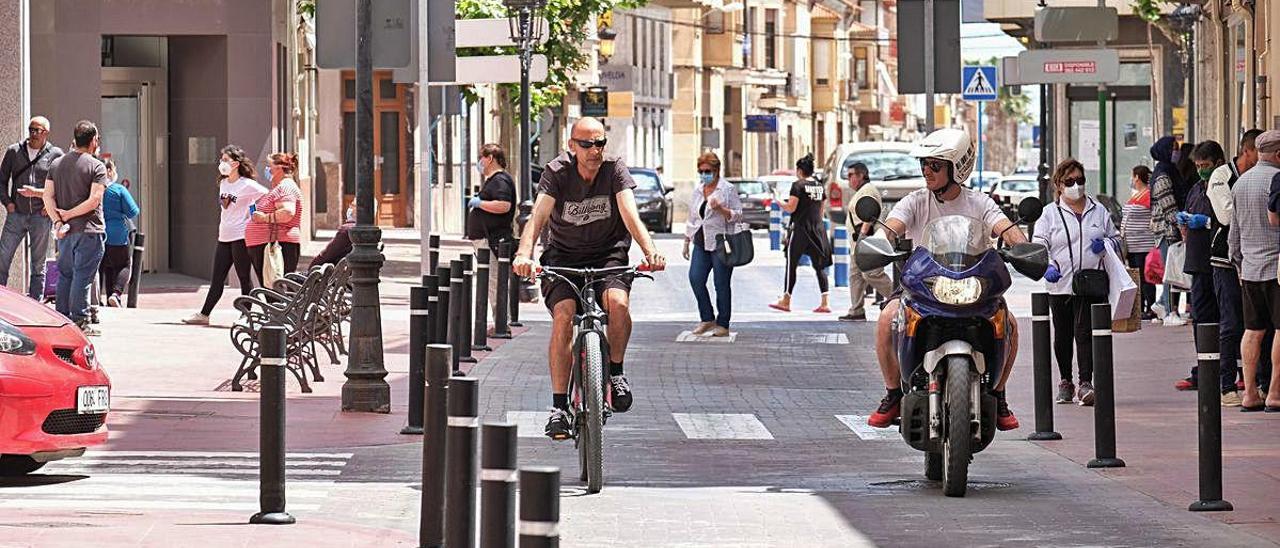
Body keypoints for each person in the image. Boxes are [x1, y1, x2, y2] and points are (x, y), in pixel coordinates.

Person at [510, 117, 667, 440]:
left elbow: (629, 213)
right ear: (572, 146)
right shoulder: (557, 172)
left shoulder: (614, 170)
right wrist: (524, 254)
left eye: (600, 143)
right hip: (563, 259)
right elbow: (538, 216)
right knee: (564, 317)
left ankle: (617, 372)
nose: (595, 150)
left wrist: (650, 252)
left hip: (609, 256)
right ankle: (558, 407)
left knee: (618, 305)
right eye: (587, 144)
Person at [866, 128, 1028, 429]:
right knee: (887, 318)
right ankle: (891, 393)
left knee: (1010, 324)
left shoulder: (980, 203)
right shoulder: (915, 201)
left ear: (958, 167)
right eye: (924, 164)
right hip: (922, 288)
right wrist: (879, 241)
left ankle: (1000, 393)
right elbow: (891, 227)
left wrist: (1024, 247)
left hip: (972, 285)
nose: (927, 170)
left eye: (935, 165)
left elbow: (1005, 228)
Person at [1033, 159, 1120, 406]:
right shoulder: (1049, 214)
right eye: (1069, 182)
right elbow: (1039, 243)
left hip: (1091, 282)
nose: (1076, 186)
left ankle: (1085, 382)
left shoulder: (1099, 211)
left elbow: (1116, 239)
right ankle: (1065, 381)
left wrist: (1106, 245)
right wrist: (1047, 264)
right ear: (1059, 185)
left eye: (1080, 181)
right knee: (1062, 334)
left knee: (1084, 332)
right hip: (1060, 284)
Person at [1207, 129, 1270, 396]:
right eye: (1261, 153)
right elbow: (1225, 215)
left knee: (1260, 325)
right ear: (1248, 151)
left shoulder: (1268, 175)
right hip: (1227, 261)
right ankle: (1226, 384)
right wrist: (1259, 211)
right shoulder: (1222, 176)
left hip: (1259, 261)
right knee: (1231, 324)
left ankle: (1262, 383)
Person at [184, 145, 266, 325]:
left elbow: (267, 195)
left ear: (236, 164)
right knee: (217, 279)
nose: (222, 163)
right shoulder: (223, 183)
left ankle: (246, 315)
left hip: (240, 237)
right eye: (221, 159)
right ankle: (204, 314)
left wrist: (254, 214)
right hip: (224, 236)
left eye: (226, 160)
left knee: (244, 277)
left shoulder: (247, 184)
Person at [41, 120, 107, 336]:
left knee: (66, 274)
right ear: (93, 140)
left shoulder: (56, 164)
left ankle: (61, 319)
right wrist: (69, 215)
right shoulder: (96, 166)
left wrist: (59, 221)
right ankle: (79, 321)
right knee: (83, 276)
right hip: (89, 230)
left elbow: (47, 196)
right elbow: (94, 199)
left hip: (64, 232)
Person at [1231, 129, 1280, 412]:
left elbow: (1233, 237)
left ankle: (1249, 393)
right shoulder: (1276, 181)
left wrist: (1240, 263)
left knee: (1252, 330)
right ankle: (1274, 393)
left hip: (1249, 268)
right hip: (1276, 268)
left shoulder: (1241, 183)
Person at [0, 116, 64, 300]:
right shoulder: (14, 151)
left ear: (46, 133)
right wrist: (8, 203)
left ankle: (35, 303)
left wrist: (50, 205)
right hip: (16, 215)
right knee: (3, 258)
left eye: (38, 130)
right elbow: (2, 180)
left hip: (41, 217)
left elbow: (61, 185)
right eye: (31, 129)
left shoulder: (56, 154)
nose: (33, 134)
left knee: (38, 265)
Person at [683, 151, 742, 337]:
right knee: (696, 278)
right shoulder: (698, 190)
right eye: (700, 171)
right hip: (701, 242)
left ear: (716, 170)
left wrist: (721, 209)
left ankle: (723, 323)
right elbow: (693, 217)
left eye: (707, 170)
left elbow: (738, 215)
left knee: (721, 283)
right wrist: (686, 241)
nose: (704, 174)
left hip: (721, 242)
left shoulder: (727, 189)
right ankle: (707, 318)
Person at [769, 153, 833, 313]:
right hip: (817, 229)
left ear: (799, 170)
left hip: (800, 230)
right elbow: (821, 208)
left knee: (792, 264)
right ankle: (825, 302)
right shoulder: (819, 186)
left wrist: (778, 200)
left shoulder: (798, 186)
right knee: (819, 267)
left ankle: (786, 300)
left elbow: (791, 208)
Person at [466, 143, 517, 316]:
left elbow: (504, 205)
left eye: (481, 157)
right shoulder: (494, 181)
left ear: (490, 159)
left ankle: (503, 322)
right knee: (491, 281)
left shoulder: (499, 180)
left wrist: (480, 203)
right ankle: (501, 321)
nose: (479, 162)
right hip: (486, 238)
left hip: (492, 239)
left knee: (494, 281)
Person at [840, 161, 893, 321]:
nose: (848, 179)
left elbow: (869, 214)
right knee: (855, 275)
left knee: (871, 274)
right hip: (858, 242)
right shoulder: (863, 190)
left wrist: (863, 236)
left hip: (866, 240)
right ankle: (856, 310)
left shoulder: (868, 191)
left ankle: (897, 297)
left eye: (851, 175)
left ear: (861, 175)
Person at [245, 152, 303, 283]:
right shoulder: (280, 187)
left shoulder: (285, 187)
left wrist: (265, 218)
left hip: (277, 244)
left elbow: (288, 212)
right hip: (267, 244)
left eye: (269, 166)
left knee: (274, 287)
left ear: (278, 168)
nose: (267, 169)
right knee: (271, 285)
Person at [1150, 136, 1187, 326]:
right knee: (1171, 271)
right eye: (1173, 148)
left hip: (1171, 229)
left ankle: (1162, 304)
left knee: (1174, 269)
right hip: (1167, 230)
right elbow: (1169, 207)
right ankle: (1168, 309)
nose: (1177, 152)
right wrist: (1182, 226)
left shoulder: (1170, 171)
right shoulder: (1163, 175)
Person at [98, 159, 139, 307]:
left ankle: (102, 299)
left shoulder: (95, 189)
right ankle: (116, 293)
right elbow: (133, 211)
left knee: (105, 267)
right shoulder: (118, 189)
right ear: (109, 171)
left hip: (99, 233)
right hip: (118, 234)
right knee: (125, 264)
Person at [1121, 165, 1156, 319]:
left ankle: (1150, 306)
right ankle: (1140, 307)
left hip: (1144, 243)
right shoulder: (1137, 195)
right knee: (1136, 277)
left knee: (1145, 277)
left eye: (1133, 176)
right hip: (1132, 244)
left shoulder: (1148, 195)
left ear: (1137, 177)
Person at [310, 200, 355, 268]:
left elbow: (327, 255)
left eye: (352, 205)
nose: (349, 208)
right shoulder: (371, 232)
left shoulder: (346, 230)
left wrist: (310, 270)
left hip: (338, 274)